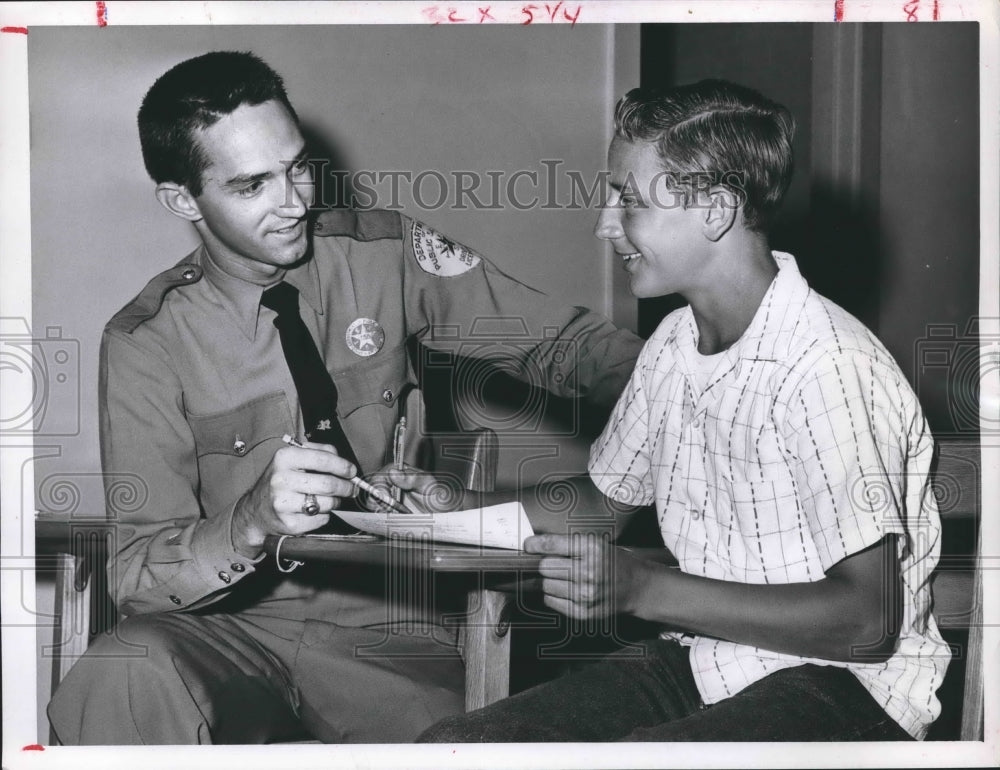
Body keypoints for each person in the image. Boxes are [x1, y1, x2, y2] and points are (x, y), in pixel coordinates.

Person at [46, 50, 644, 745]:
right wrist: (250, 522)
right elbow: (137, 574)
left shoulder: (384, 252)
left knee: (476, 741)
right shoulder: (147, 341)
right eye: (252, 185)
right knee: (123, 668)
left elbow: (566, 346)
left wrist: (698, 388)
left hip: (391, 627)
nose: (296, 201)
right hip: (228, 631)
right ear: (183, 199)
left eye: (298, 166)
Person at [411, 80, 951, 742]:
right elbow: (603, 503)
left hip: (849, 688)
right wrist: (456, 508)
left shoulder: (826, 365)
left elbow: (866, 621)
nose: (606, 224)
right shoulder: (671, 345)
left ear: (716, 211)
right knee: (457, 748)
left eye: (630, 201)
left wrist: (645, 590)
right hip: (706, 657)